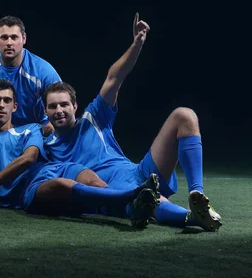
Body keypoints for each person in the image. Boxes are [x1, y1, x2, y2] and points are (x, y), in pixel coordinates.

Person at [41, 13, 222, 231]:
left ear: (75, 106)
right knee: (151, 199)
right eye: (53, 106)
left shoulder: (92, 119)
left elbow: (114, 78)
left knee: (184, 115)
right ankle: (196, 218)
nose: (59, 110)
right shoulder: (46, 148)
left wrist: (137, 44)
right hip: (110, 189)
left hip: (137, 171)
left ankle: (197, 192)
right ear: (45, 111)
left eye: (64, 105)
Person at [0, 79, 160, 227]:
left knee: (92, 179)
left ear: (14, 106)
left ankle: (133, 207)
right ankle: (132, 196)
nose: (1, 105)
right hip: (29, 188)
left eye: (7, 101)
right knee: (62, 185)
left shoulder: (30, 128)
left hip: (52, 168)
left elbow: (30, 158)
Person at [0, 16, 61, 134]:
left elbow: (61, 109)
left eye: (14, 37)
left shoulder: (44, 72)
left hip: (32, 133)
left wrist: (40, 132)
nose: (9, 43)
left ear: (24, 39)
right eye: (4, 38)